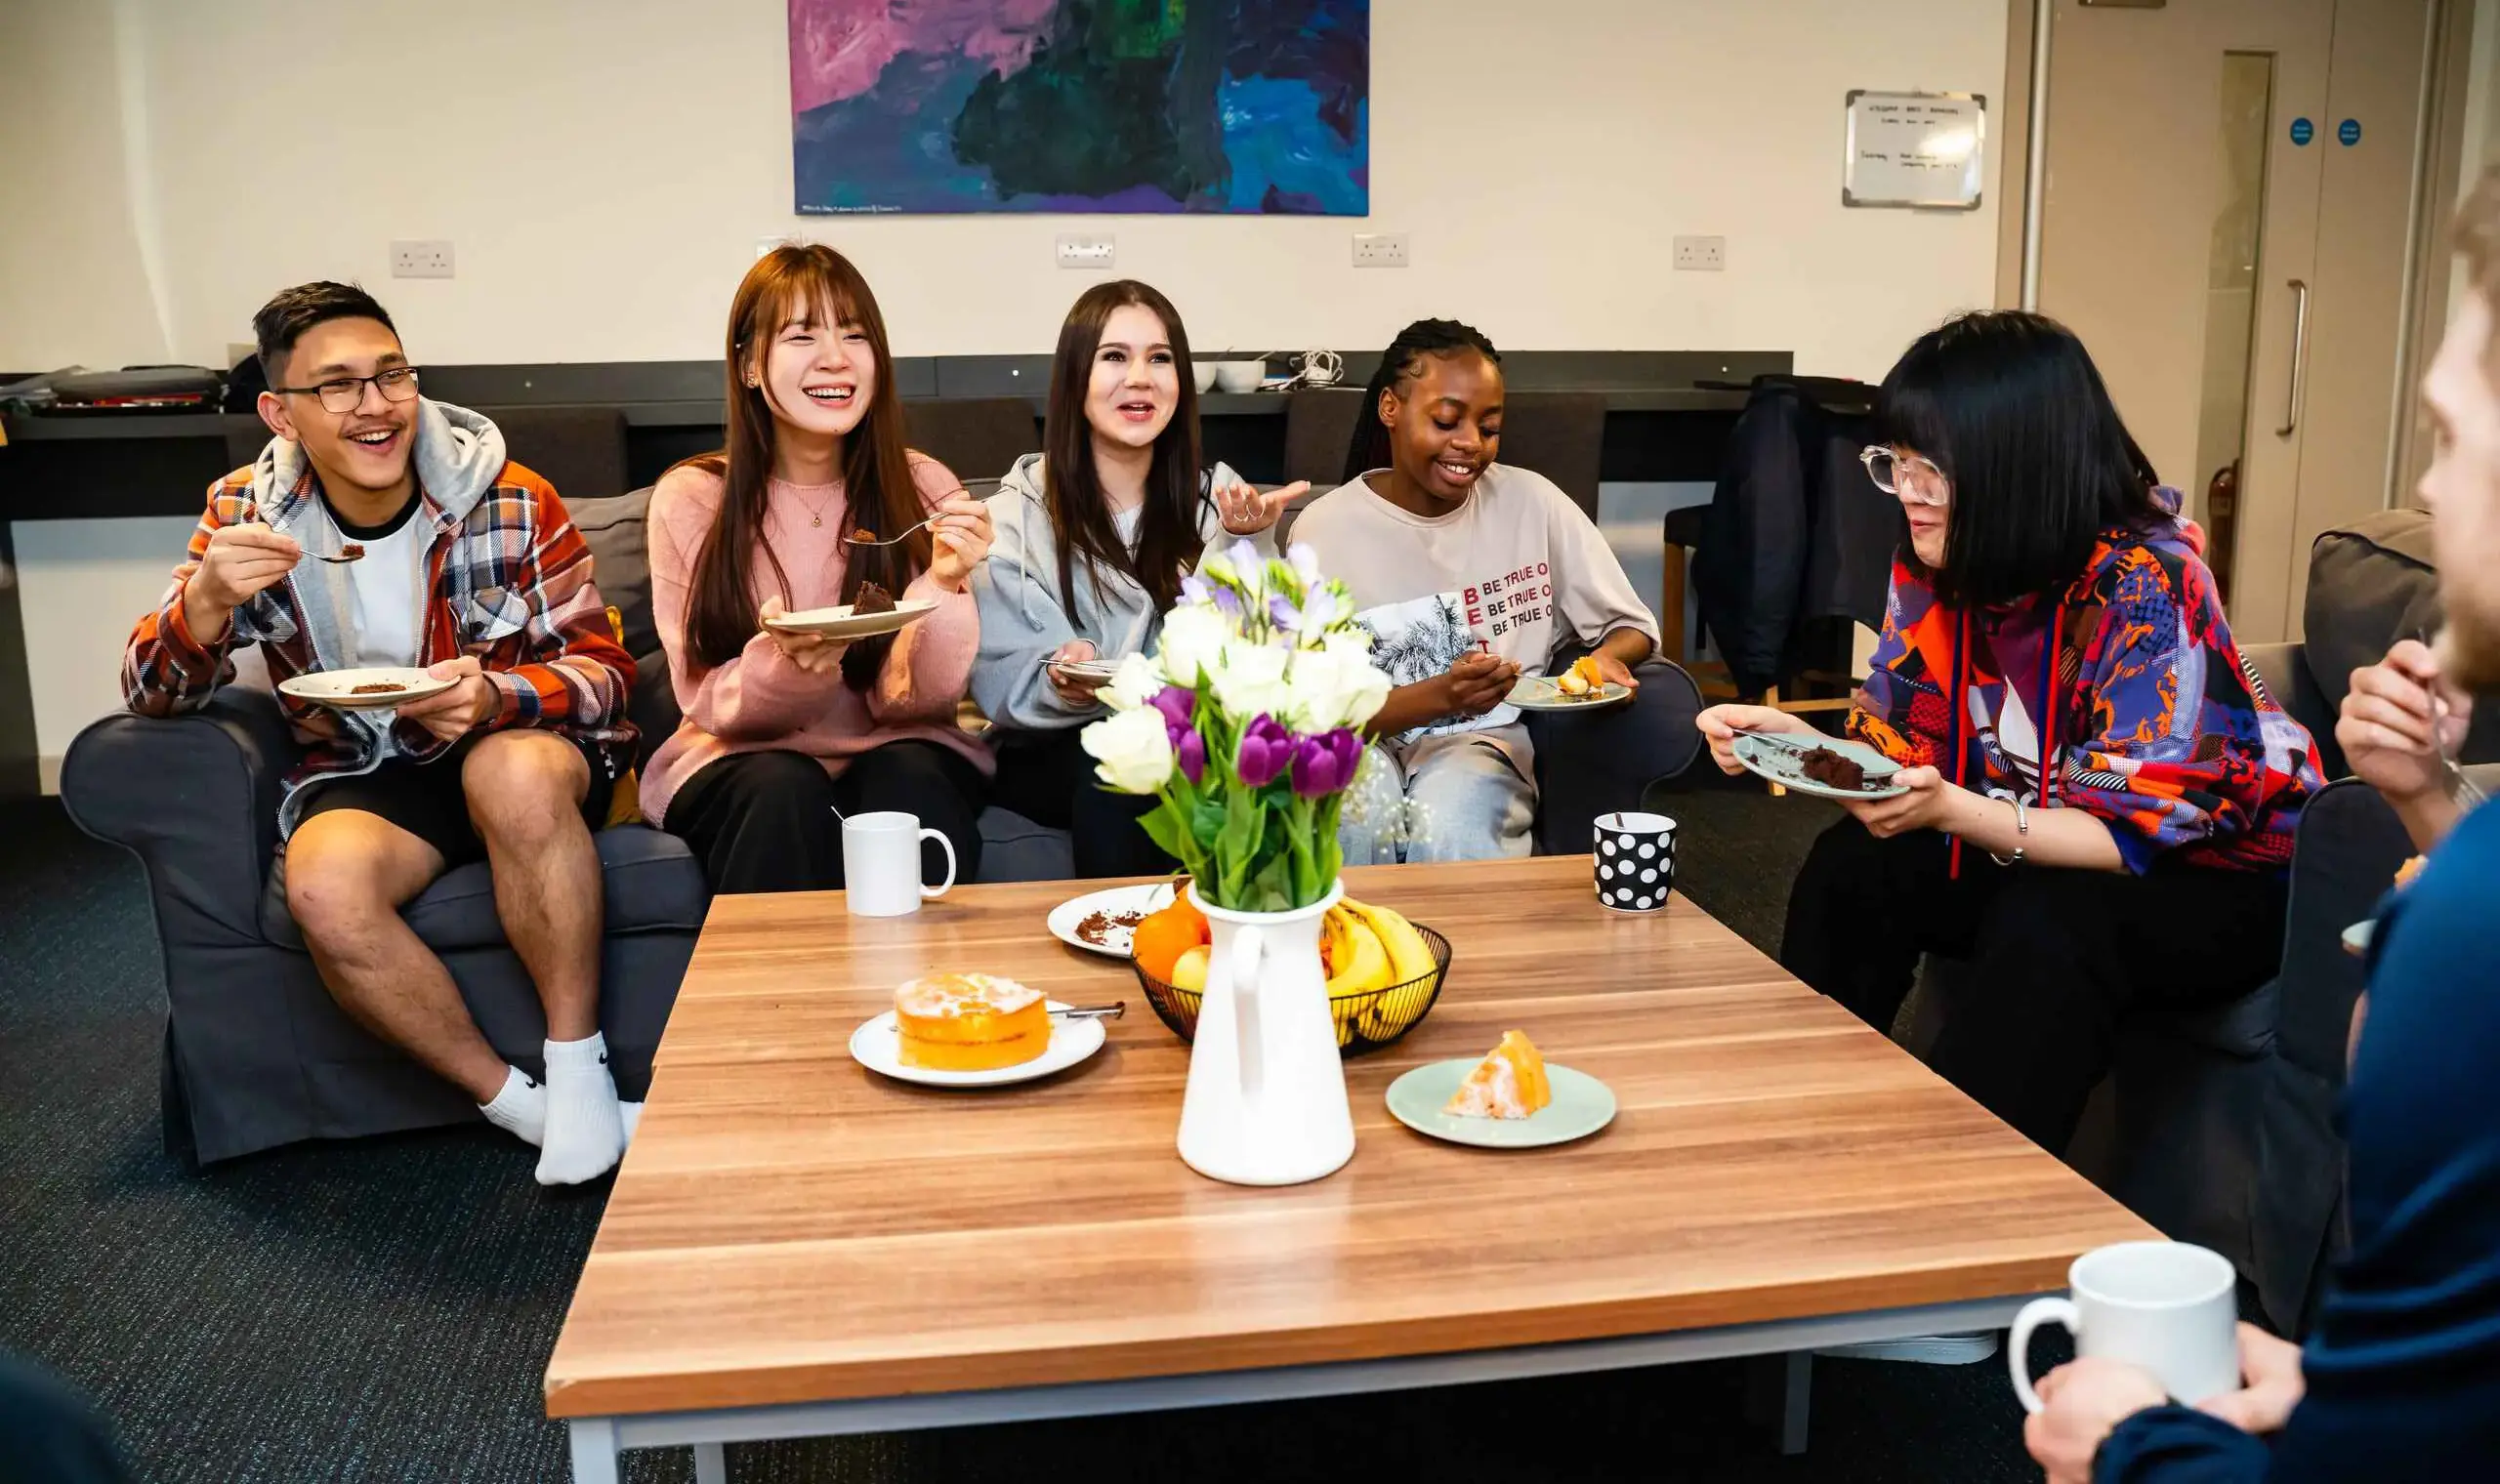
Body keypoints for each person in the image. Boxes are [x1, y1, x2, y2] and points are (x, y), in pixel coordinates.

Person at [2023, 171, 2500, 1483]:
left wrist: (2135, 1449)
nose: (2423, 481)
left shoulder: (2465, 938)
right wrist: (2419, 798)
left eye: (2455, 437)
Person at [1697, 310, 2321, 1157]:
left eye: (1933, 471)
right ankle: (1799, 1125)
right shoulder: (1934, 558)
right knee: (1856, 868)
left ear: (2018, 469)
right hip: (2037, 829)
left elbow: (2129, 834)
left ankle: (1962, 1189)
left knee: (2055, 924)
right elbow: (1899, 753)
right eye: (1897, 465)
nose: (1908, 493)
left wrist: (1952, 810)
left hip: (2220, 876)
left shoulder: (2144, 585)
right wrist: (1793, 741)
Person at [121, 282, 639, 1185]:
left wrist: (496, 698)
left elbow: (601, 672)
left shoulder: (511, 498)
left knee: (509, 776)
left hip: (510, 748)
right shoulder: (245, 513)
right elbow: (150, 696)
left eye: (391, 374)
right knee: (322, 886)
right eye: (338, 386)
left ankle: (578, 1066)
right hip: (366, 767)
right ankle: (524, 1106)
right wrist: (203, 604)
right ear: (281, 413)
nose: (375, 405)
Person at [642, 244, 995, 892]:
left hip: (898, 743)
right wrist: (789, 672)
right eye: (803, 335)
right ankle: (782, 998)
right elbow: (706, 697)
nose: (835, 357)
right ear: (749, 364)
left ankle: (935, 995)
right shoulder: (694, 499)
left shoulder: (922, 487)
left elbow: (918, 702)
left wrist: (943, 583)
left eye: (854, 336)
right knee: (781, 788)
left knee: (912, 779)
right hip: (737, 755)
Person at [1289, 318, 1659, 862]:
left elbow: (1633, 627)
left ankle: (1464, 950)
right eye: (1446, 420)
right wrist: (1442, 695)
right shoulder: (1323, 530)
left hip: (1479, 744)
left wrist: (1603, 660)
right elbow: (1307, 711)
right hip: (1359, 742)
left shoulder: (1533, 504)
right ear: (1390, 408)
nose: (1470, 444)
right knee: (1353, 817)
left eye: (1489, 427)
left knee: (1453, 822)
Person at [971, 279, 1301, 876]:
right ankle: (1125, 954)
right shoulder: (1011, 517)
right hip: (1047, 747)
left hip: (1187, 737)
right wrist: (1056, 676)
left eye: (1159, 358)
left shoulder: (1219, 503)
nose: (1140, 378)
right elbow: (1003, 679)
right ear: (1075, 378)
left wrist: (1245, 542)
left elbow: (1253, 661)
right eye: (1114, 357)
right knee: (1123, 766)